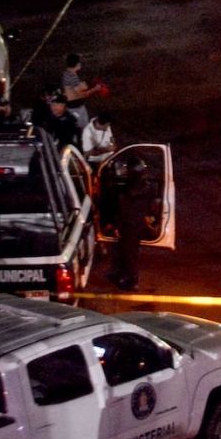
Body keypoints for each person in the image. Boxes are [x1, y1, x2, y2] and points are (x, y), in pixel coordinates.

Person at [106, 154, 156, 291]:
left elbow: (123, 210)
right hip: (138, 223)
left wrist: (116, 225)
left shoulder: (126, 191)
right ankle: (121, 275)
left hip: (129, 226)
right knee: (126, 252)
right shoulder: (148, 187)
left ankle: (132, 281)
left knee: (129, 254)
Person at [61, 53, 109, 126]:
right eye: (79, 62)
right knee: (81, 129)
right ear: (76, 64)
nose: (81, 64)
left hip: (76, 107)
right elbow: (82, 95)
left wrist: (84, 86)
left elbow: (74, 90)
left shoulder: (67, 73)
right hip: (76, 109)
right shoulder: (72, 77)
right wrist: (95, 89)